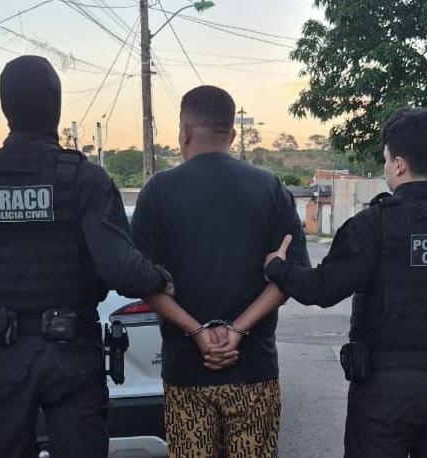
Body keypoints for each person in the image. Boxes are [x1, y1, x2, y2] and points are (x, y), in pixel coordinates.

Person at [0, 55, 173, 458]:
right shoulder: (85, 179)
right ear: (56, 102)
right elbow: (121, 269)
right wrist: (162, 279)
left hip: (0, 357)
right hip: (72, 355)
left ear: (5, 107)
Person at [264, 107, 427, 458]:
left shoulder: (373, 224)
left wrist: (278, 267)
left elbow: (322, 290)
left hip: (383, 394)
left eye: (387, 159)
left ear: (399, 164)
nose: (387, 167)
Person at [131, 85, 310, 457]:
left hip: (186, 372)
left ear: (184, 131)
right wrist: (238, 329)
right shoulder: (270, 188)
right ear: (232, 134)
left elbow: (143, 280)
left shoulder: (157, 191)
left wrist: (197, 331)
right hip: (253, 368)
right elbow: (289, 276)